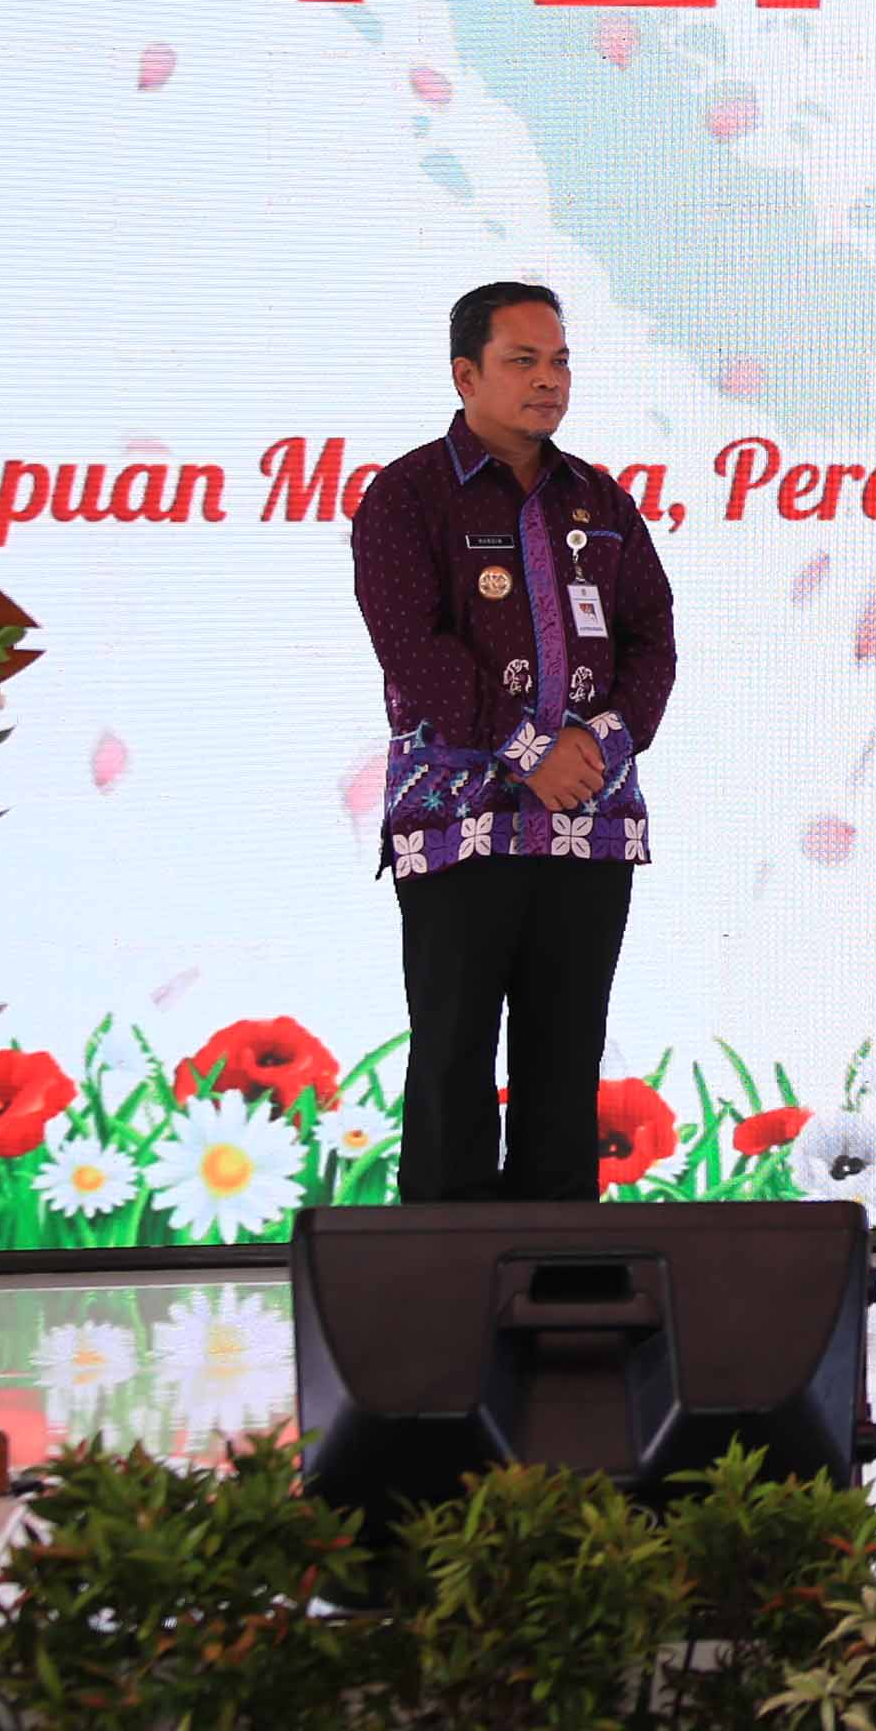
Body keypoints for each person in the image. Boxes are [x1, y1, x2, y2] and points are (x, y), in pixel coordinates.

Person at [351, 281, 676, 1203]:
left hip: (588, 821)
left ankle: (561, 1288)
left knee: (565, 1057)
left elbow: (653, 640)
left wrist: (600, 746)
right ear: (466, 374)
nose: (548, 380)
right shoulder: (407, 496)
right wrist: (532, 748)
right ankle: (447, 1301)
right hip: (460, 827)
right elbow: (414, 650)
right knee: (452, 1054)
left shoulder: (601, 501)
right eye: (522, 361)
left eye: (560, 359)